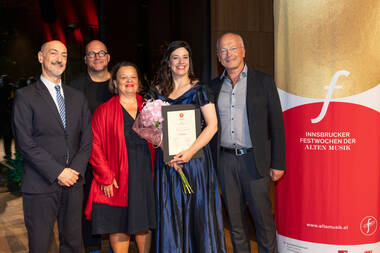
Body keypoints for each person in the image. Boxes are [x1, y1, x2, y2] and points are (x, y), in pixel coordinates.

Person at [208, 33, 286, 253]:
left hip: (255, 160)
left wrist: (278, 162)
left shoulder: (263, 81)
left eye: (233, 49)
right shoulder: (212, 88)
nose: (228, 54)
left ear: (243, 51)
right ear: (218, 57)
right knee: (235, 223)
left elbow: (277, 125)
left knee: (263, 222)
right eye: (223, 50)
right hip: (224, 161)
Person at [12, 40, 92, 253]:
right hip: (40, 184)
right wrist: (58, 172)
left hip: (73, 184)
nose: (59, 59)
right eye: (53, 53)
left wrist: (73, 171)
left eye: (64, 55)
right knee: (39, 245)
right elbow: (25, 142)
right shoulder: (25, 96)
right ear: (40, 57)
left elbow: (86, 140)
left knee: (74, 244)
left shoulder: (78, 97)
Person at [151, 40, 226, 253]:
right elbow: (153, 130)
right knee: (170, 213)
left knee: (197, 215)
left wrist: (188, 153)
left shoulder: (200, 89)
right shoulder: (157, 93)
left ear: (190, 62)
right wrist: (167, 152)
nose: (180, 62)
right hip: (168, 164)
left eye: (185, 57)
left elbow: (212, 126)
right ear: (168, 62)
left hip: (194, 164)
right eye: (176, 57)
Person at [85, 61, 156, 253]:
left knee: (144, 221)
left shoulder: (150, 107)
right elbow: (94, 145)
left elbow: (162, 142)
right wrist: (105, 176)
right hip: (116, 176)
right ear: (115, 83)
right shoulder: (104, 111)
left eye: (133, 77)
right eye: (123, 77)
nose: (129, 81)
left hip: (145, 175)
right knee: (118, 222)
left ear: (139, 82)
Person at [69, 39, 113, 253]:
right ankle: (93, 249)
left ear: (108, 57)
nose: (97, 57)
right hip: (85, 158)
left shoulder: (120, 83)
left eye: (101, 53)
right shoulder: (74, 88)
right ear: (86, 59)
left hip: (116, 157)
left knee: (117, 205)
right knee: (88, 208)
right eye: (92, 54)